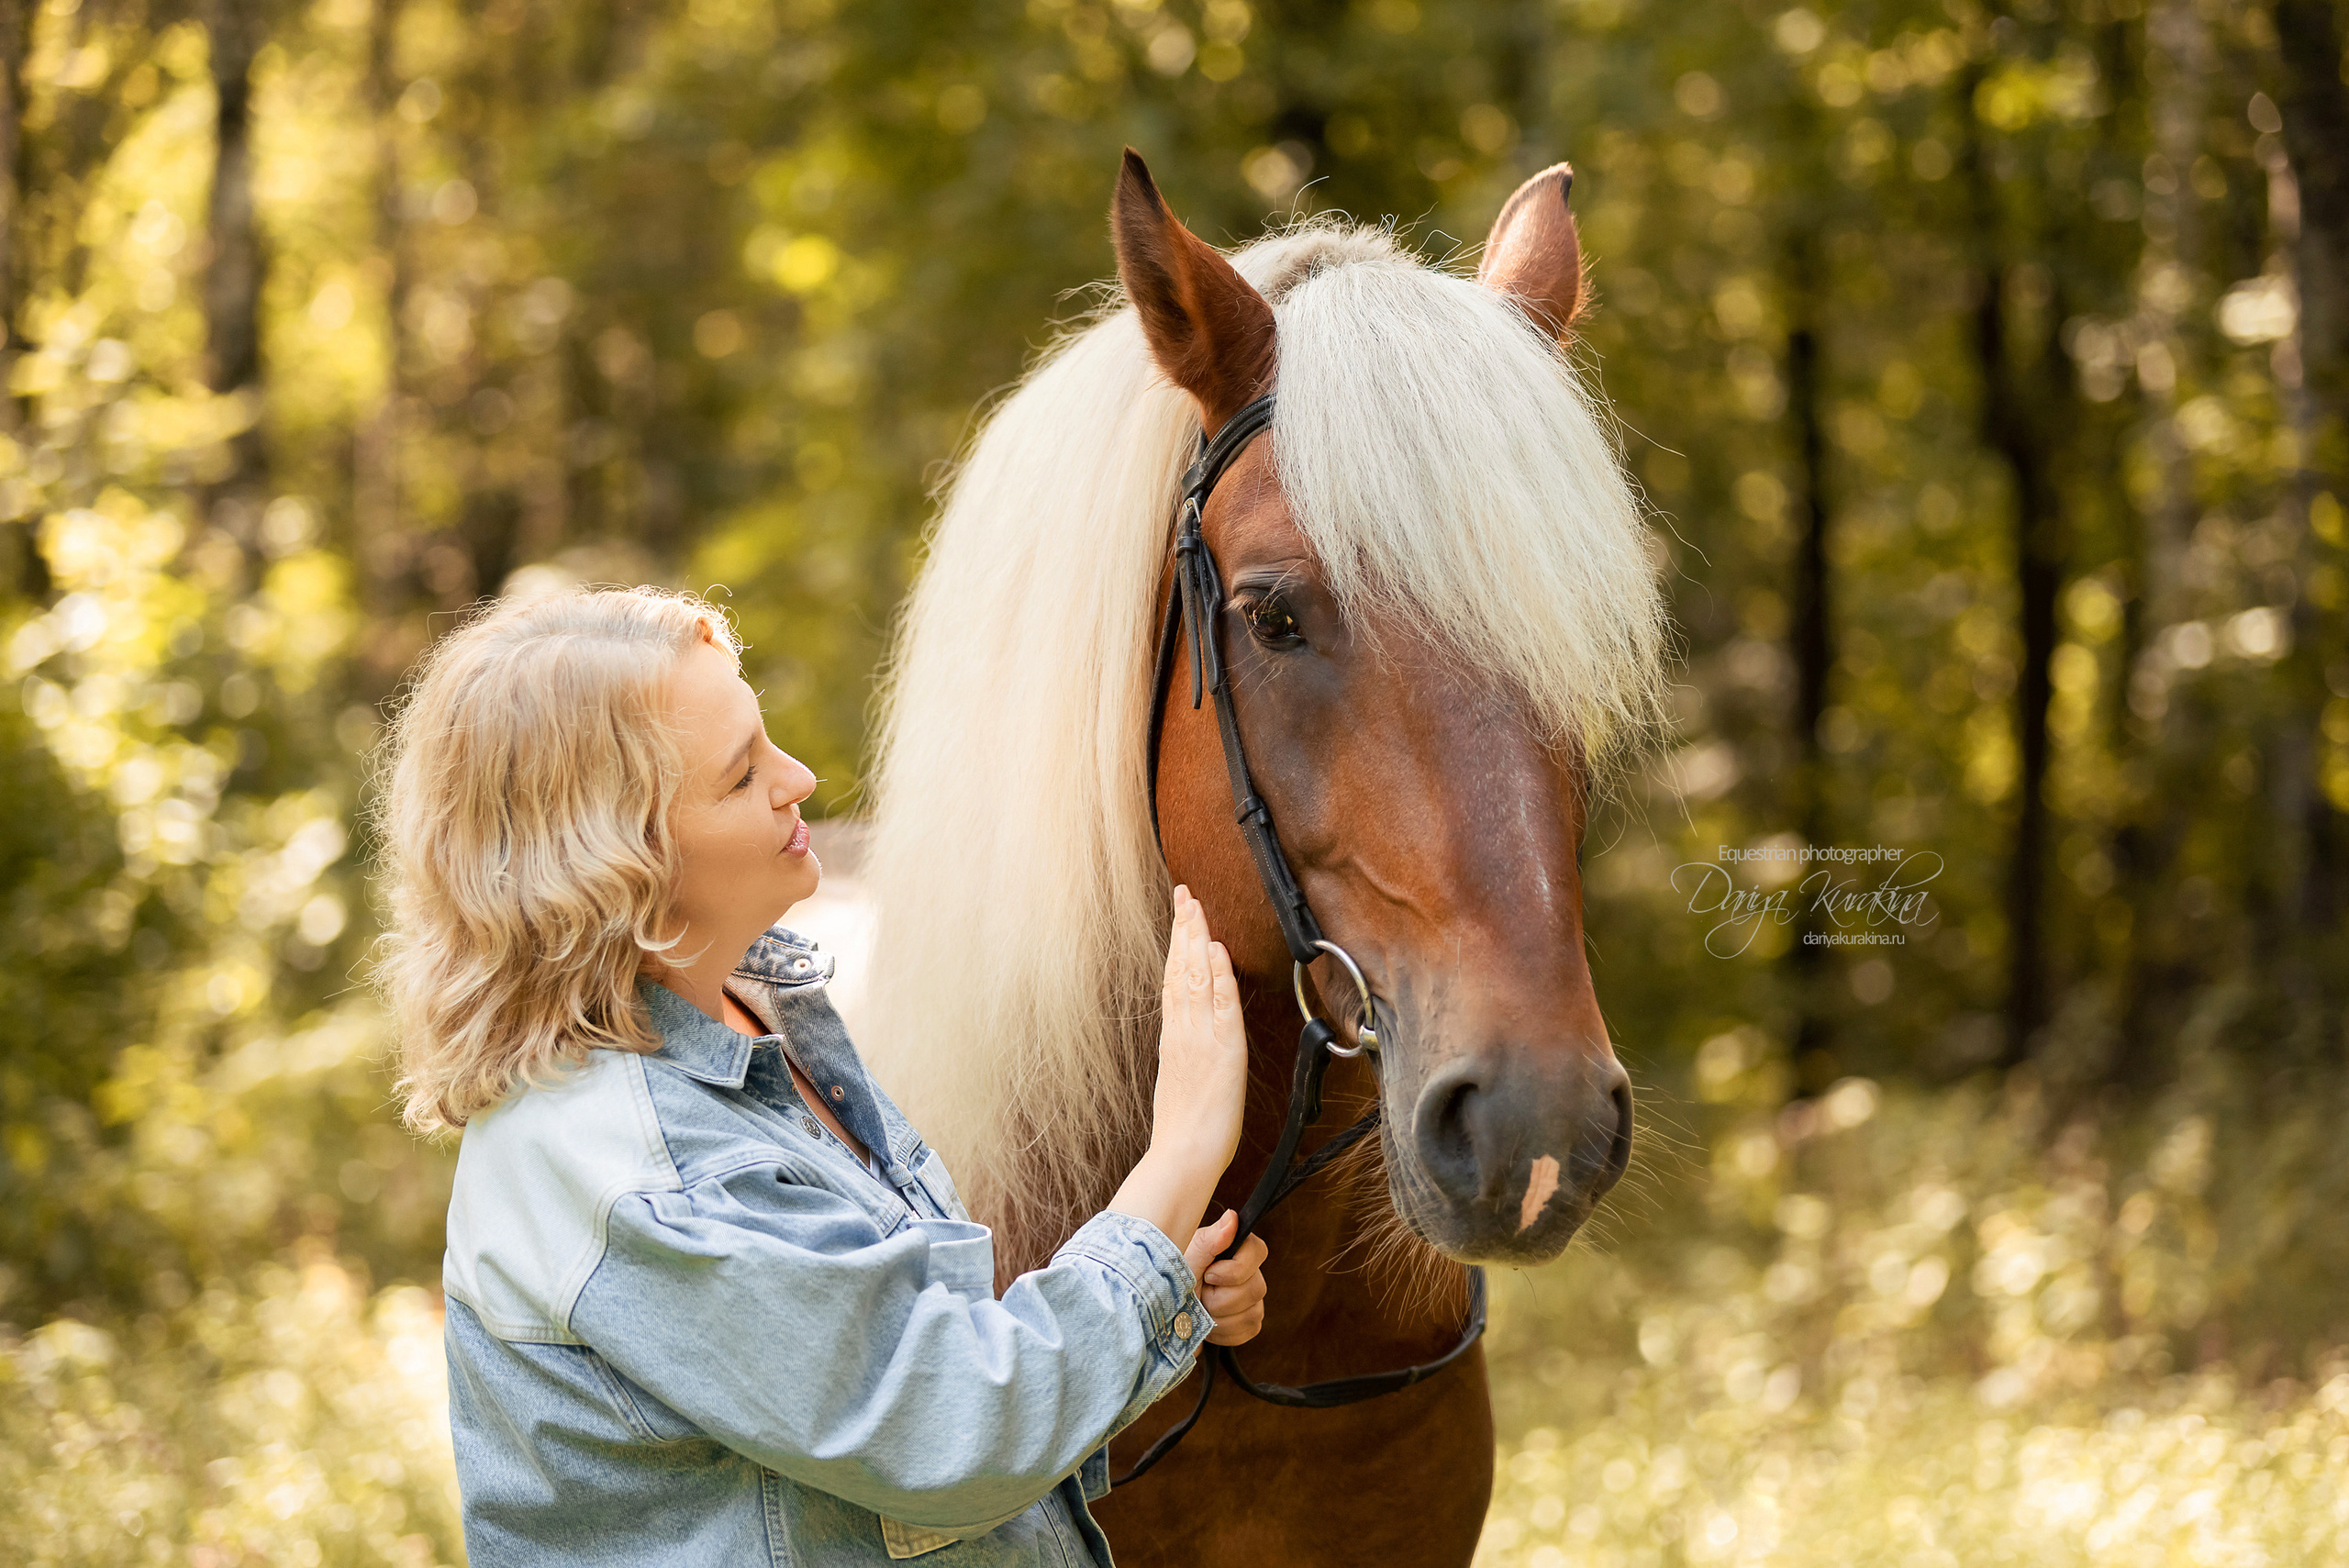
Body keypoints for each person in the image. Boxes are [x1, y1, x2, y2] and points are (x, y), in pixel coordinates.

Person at [373, 585, 1269, 1566]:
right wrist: (1178, 1155)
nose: (796, 777)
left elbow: (893, 1375)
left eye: (768, 742)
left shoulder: (760, 1016)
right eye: (739, 775)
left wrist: (1159, 1289)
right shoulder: (644, 1175)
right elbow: (953, 1425)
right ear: (614, 862)